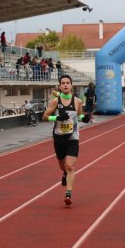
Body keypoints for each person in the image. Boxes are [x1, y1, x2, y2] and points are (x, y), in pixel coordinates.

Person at [43, 75, 91, 205]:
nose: (65, 85)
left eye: (67, 83)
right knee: (62, 165)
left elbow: (79, 114)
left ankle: (68, 193)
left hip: (72, 137)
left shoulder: (77, 101)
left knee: (70, 165)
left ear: (71, 85)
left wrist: (84, 118)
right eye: (63, 83)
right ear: (59, 86)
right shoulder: (55, 101)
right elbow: (45, 116)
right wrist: (57, 118)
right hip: (58, 137)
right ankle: (64, 173)